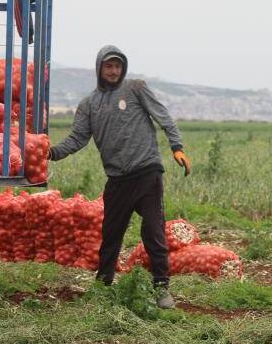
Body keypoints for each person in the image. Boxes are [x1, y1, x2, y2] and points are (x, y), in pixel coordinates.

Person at [49, 46, 191, 309]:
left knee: (153, 231)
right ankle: (103, 286)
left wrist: (177, 147)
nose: (114, 71)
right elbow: (78, 138)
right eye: (108, 66)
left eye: (117, 66)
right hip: (117, 179)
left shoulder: (136, 88)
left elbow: (164, 117)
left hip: (147, 172)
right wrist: (52, 153)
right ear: (99, 69)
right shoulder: (89, 104)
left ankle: (161, 287)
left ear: (123, 68)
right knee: (111, 235)